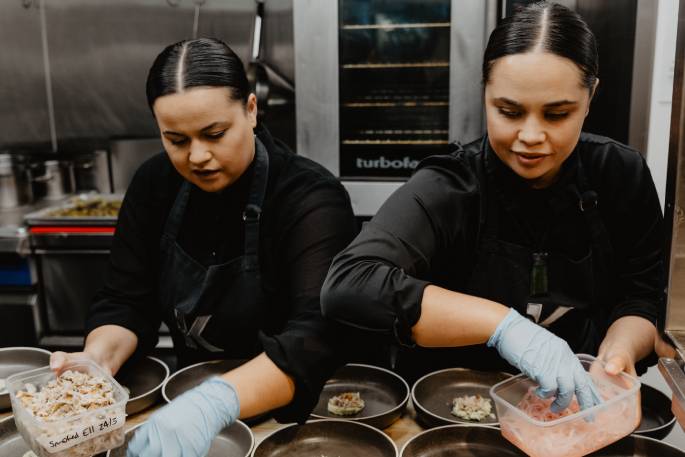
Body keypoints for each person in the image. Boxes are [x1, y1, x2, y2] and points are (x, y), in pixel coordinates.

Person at [322, 1, 664, 412]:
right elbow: (349, 283)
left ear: (590, 97)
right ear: (484, 93)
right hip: (451, 417)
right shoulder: (450, 185)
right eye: (509, 111)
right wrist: (504, 327)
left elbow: (642, 297)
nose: (531, 135)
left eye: (557, 114)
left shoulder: (620, 175)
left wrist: (618, 353)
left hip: (575, 414)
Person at [49, 37, 356, 457]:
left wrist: (215, 403)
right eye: (176, 140)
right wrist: (97, 361)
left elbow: (315, 337)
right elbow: (125, 300)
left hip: (294, 424)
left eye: (214, 134)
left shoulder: (310, 197)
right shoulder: (153, 184)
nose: (197, 157)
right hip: (188, 418)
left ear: (251, 110)